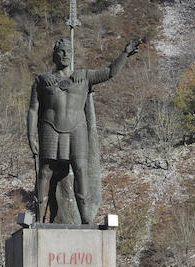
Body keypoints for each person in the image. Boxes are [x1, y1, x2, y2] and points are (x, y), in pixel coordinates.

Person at [27, 36, 141, 226]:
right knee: (45, 172)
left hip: (76, 129)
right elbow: (33, 110)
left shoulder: (84, 77)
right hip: (50, 128)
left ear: (72, 56)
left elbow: (110, 72)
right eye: (61, 52)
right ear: (54, 55)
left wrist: (125, 54)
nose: (64, 55)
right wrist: (30, 136)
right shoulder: (42, 80)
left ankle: (87, 220)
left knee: (81, 171)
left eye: (68, 52)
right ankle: (40, 219)